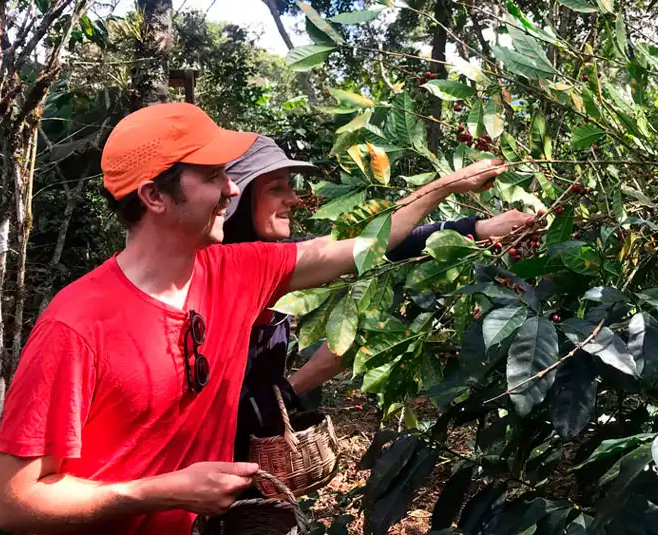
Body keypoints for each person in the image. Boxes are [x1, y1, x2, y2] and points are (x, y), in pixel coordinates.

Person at [0, 102, 507, 535]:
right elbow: (15, 504)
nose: (232, 190)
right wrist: (156, 492)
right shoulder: (77, 325)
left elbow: (359, 248)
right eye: (213, 176)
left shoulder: (236, 270)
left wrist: (445, 189)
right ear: (154, 196)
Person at [220, 135, 535, 460]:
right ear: (238, 198)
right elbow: (370, 243)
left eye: (290, 186)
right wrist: (306, 379)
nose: (294, 199)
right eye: (276, 189)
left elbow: (377, 244)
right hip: (209, 466)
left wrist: (476, 228)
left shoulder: (266, 260)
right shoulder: (229, 270)